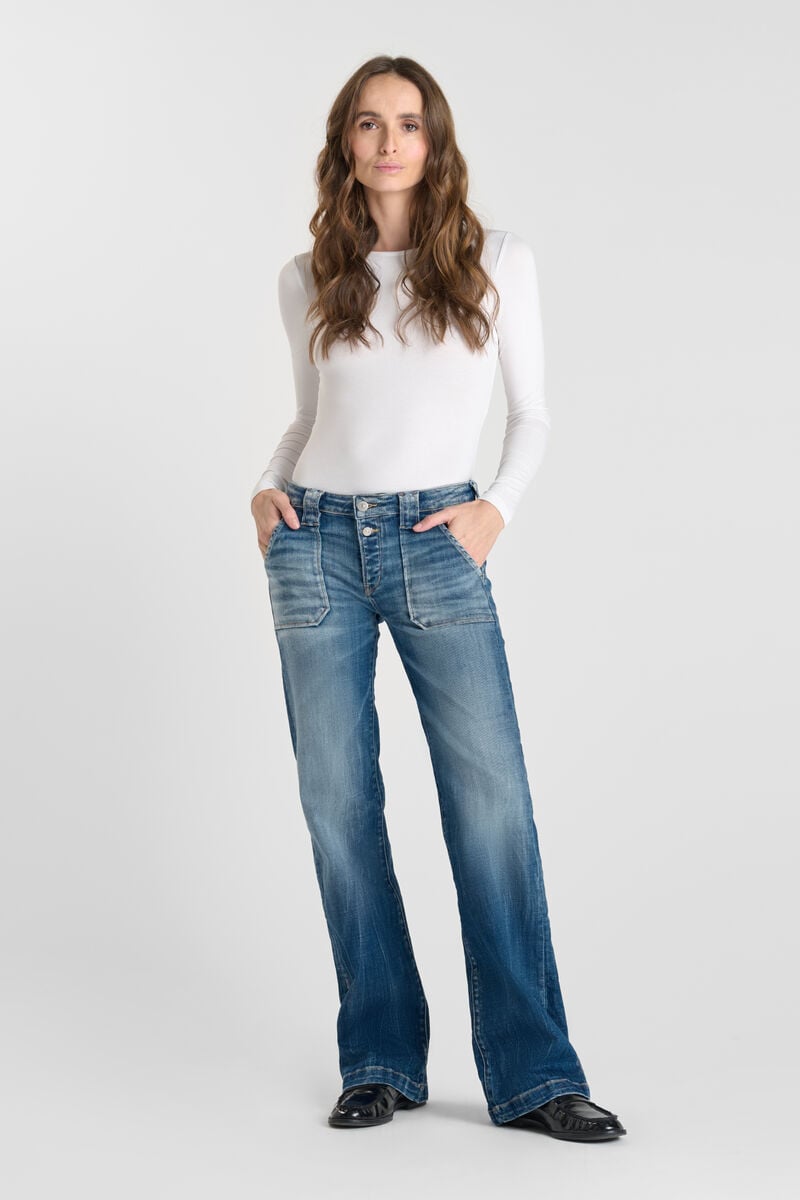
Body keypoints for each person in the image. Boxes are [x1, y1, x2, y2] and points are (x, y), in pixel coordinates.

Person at [250, 54, 626, 1142]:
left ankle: (535, 1076)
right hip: (314, 544)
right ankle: (378, 1059)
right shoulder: (307, 275)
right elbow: (308, 417)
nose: (388, 142)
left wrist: (494, 510)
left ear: (434, 139)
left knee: (489, 805)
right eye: (368, 124)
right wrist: (267, 490)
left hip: (438, 541)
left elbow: (533, 414)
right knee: (337, 807)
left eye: (407, 123)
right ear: (345, 142)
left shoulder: (496, 259)